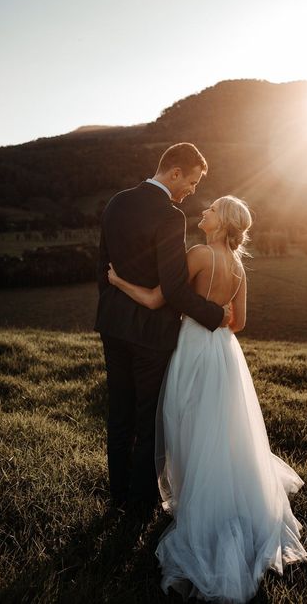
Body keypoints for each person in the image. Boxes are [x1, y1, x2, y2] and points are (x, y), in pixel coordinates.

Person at [108, 195, 307, 602]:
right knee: (221, 426)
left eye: (212, 209)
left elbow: (156, 299)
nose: (204, 212)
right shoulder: (237, 268)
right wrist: (216, 328)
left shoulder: (199, 253)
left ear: (222, 223)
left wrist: (117, 282)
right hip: (224, 352)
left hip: (195, 347)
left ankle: (194, 501)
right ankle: (219, 493)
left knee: (185, 420)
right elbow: (241, 322)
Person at [94, 143, 229, 515]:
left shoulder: (117, 202)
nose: (193, 190)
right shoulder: (170, 216)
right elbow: (172, 288)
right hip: (151, 333)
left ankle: (118, 496)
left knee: (118, 411)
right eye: (192, 181)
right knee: (148, 416)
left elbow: (103, 266)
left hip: (113, 322)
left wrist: (111, 306)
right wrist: (214, 314)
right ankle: (140, 506)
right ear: (174, 174)